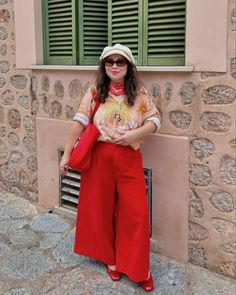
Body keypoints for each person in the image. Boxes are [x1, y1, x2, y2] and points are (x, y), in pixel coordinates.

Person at [59, 44, 161, 292]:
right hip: (100, 158)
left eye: (120, 61)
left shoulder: (140, 93)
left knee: (136, 214)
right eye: (109, 62)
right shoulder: (94, 92)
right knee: (100, 210)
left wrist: (134, 134)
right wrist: (67, 155)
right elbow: (79, 124)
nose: (114, 66)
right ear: (104, 66)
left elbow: (155, 120)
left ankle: (139, 269)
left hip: (129, 158)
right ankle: (111, 260)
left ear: (128, 66)